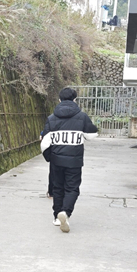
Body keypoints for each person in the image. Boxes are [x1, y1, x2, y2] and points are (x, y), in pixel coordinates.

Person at [40, 87, 98, 233]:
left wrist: (50, 158)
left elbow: (44, 142)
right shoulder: (82, 117)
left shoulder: (51, 118)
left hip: (56, 160)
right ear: (75, 100)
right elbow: (92, 135)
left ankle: (56, 217)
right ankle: (66, 212)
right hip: (74, 161)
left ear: (59, 100)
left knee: (58, 188)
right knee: (72, 188)